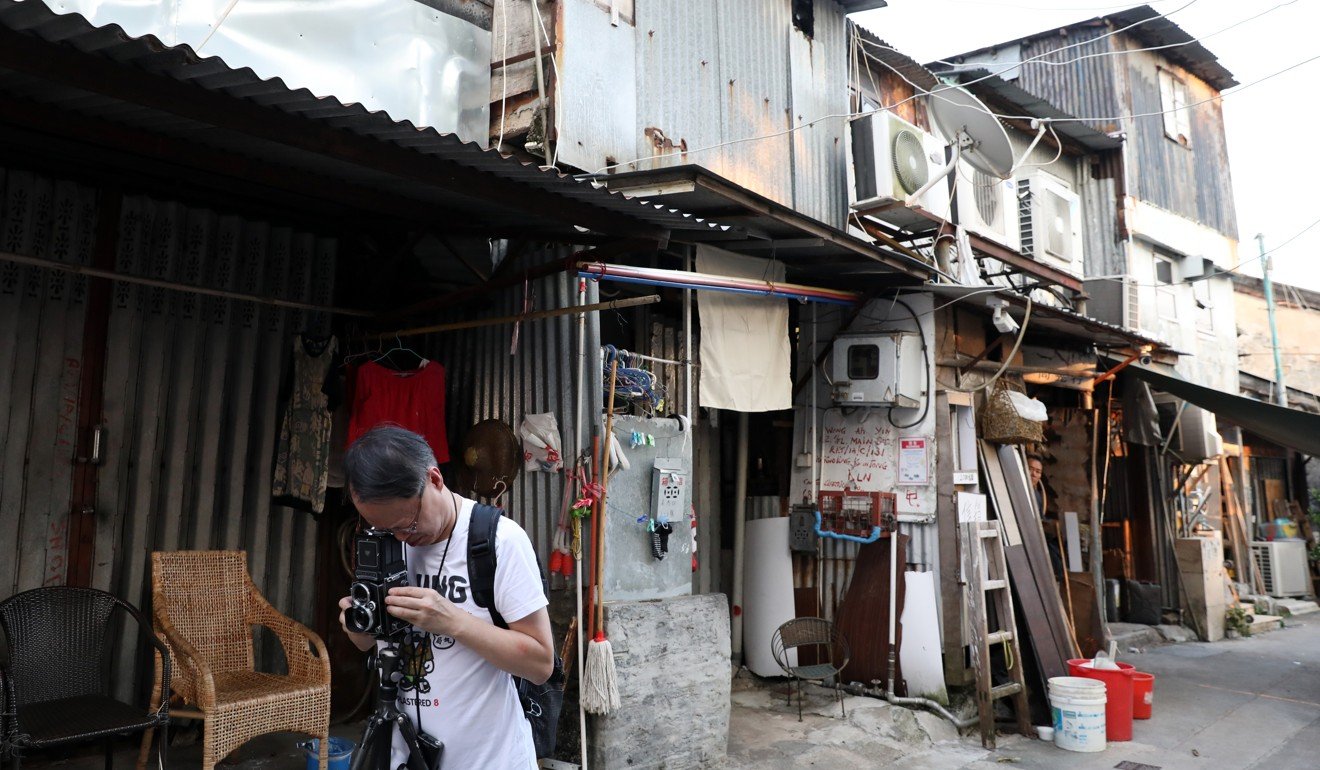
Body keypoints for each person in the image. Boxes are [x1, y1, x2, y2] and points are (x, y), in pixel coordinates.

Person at [338, 425, 553, 770]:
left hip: (488, 760)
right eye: (386, 529)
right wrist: (359, 623)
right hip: (404, 756)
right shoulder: (383, 544)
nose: (402, 538)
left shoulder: (499, 541)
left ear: (435, 480)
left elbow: (541, 664)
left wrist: (451, 621)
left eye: (408, 524)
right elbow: (365, 645)